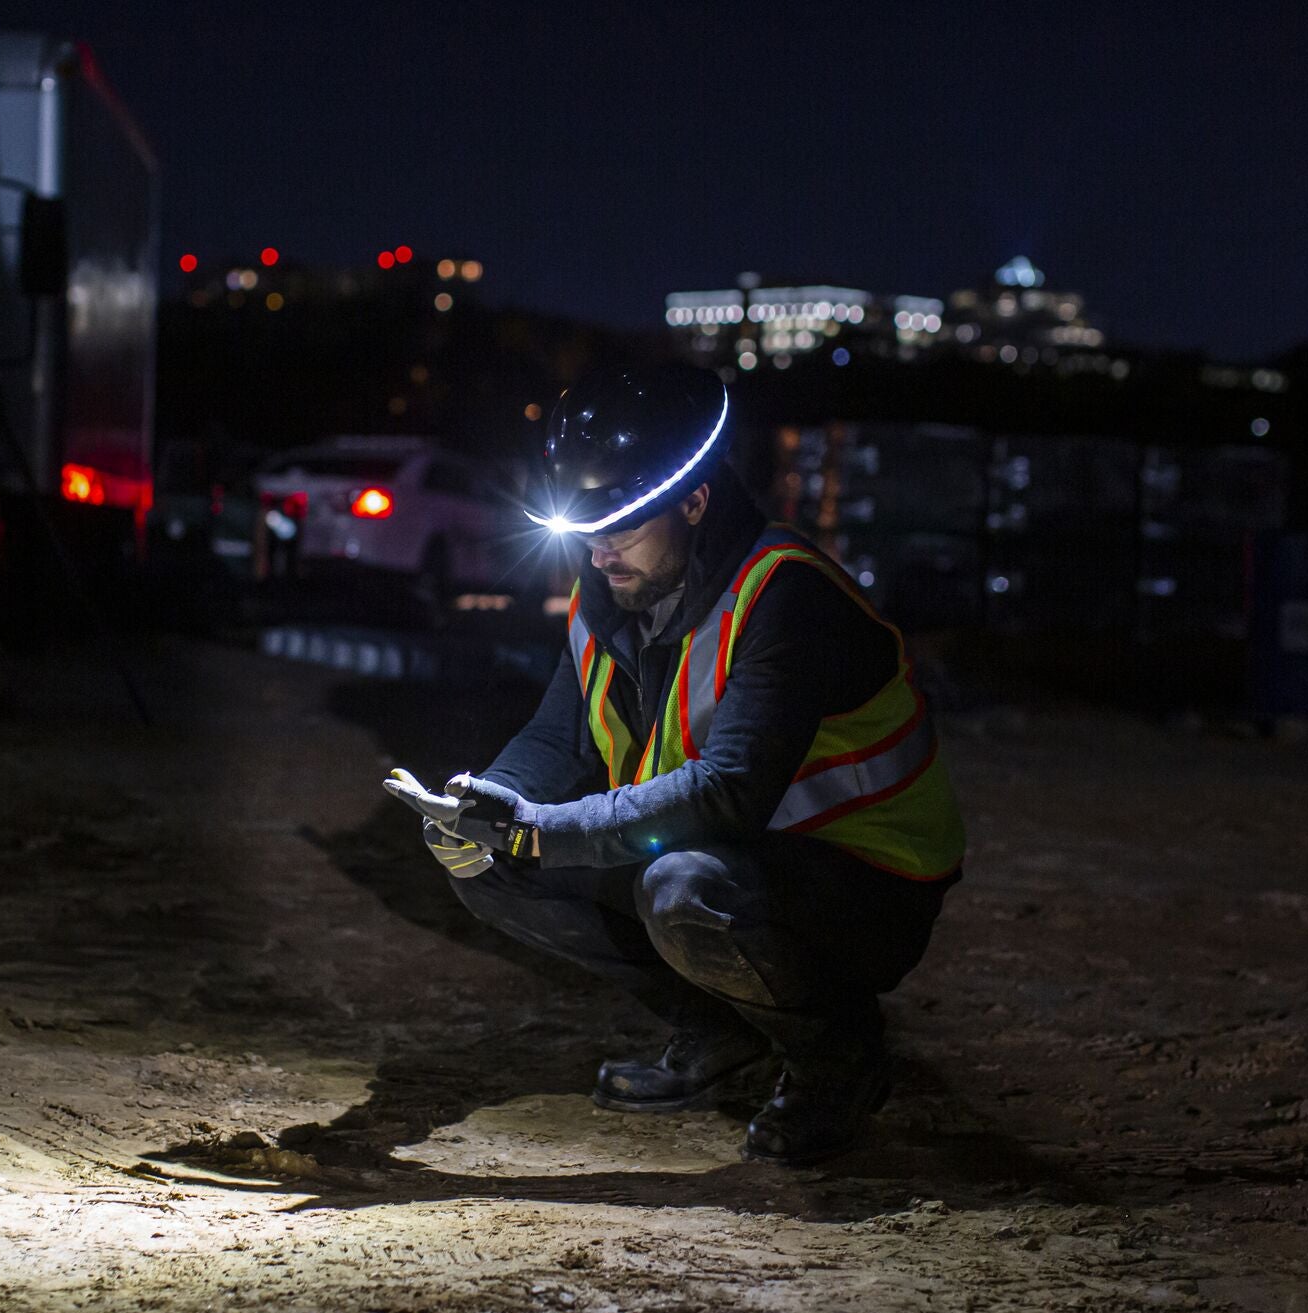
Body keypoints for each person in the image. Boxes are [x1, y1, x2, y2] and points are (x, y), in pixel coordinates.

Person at [385, 364, 964, 1162]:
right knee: (489, 866)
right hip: (740, 861)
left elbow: (728, 791)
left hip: (866, 886)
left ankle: (839, 1055)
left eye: (620, 524)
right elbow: (560, 739)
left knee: (680, 888)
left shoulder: (783, 594)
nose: (599, 548)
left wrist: (540, 829)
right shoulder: (610, 590)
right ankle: (721, 1030)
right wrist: (487, 810)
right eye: (586, 528)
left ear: (695, 501)